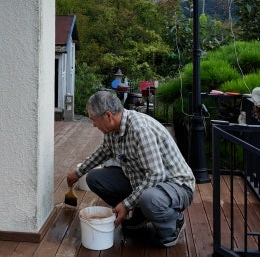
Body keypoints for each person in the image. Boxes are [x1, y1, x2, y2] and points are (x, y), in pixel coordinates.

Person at [66, 90, 195, 247]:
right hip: (144, 181)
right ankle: (142, 214)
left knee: (149, 198)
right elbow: (103, 152)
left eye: (93, 119)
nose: (93, 124)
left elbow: (156, 175)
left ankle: (174, 224)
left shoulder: (139, 129)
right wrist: (78, 173)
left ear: (108, 116)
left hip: (176, 185)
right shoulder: (112, 129)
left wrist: (126, 205)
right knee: (94, 178)